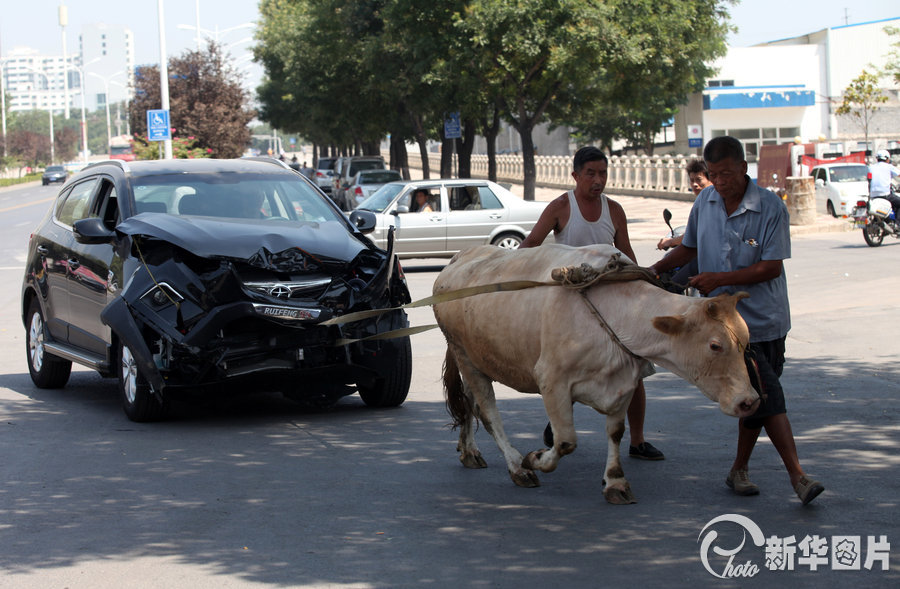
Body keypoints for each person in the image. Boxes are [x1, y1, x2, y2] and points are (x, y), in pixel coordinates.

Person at [647, 136, 824, 505]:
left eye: (726, 173)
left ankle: (738, 469)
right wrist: (654, 271)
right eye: (714, 174)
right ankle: (798, 476)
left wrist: (720, 280)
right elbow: (689, 249)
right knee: (769, 396)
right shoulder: (704, 203)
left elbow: (771, 266)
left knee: (754, 399)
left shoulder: (770, 207)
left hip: (766, 320)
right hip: (727, 332)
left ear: (744, 168)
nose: (720, 181)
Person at [521, 145, 664, 461]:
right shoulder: (560, 207)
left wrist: (644, 284)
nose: (598, 180)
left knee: (635, 368)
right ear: (575, 175)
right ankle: (559, 421)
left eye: (603, 173)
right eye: (591, 174)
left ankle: (638, 440)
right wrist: (507, 270)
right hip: (570, 304)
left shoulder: (613, 210)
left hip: (612, 302)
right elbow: (531, 244)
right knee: (568, 369)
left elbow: (626, 253)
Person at [657, 159, 712, 250]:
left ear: (711, 179)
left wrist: (670, 241)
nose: (695, 184)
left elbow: (693, 235)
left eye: (699, 180)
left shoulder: (712, 203)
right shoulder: (701, 202)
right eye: (692, 180)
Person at [869, 149, 900, 219]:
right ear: (887, 159)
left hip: (873, 196)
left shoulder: (871, 167)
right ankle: (898, 225)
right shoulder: (889, 167)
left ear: (877, 159)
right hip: (885, 195)